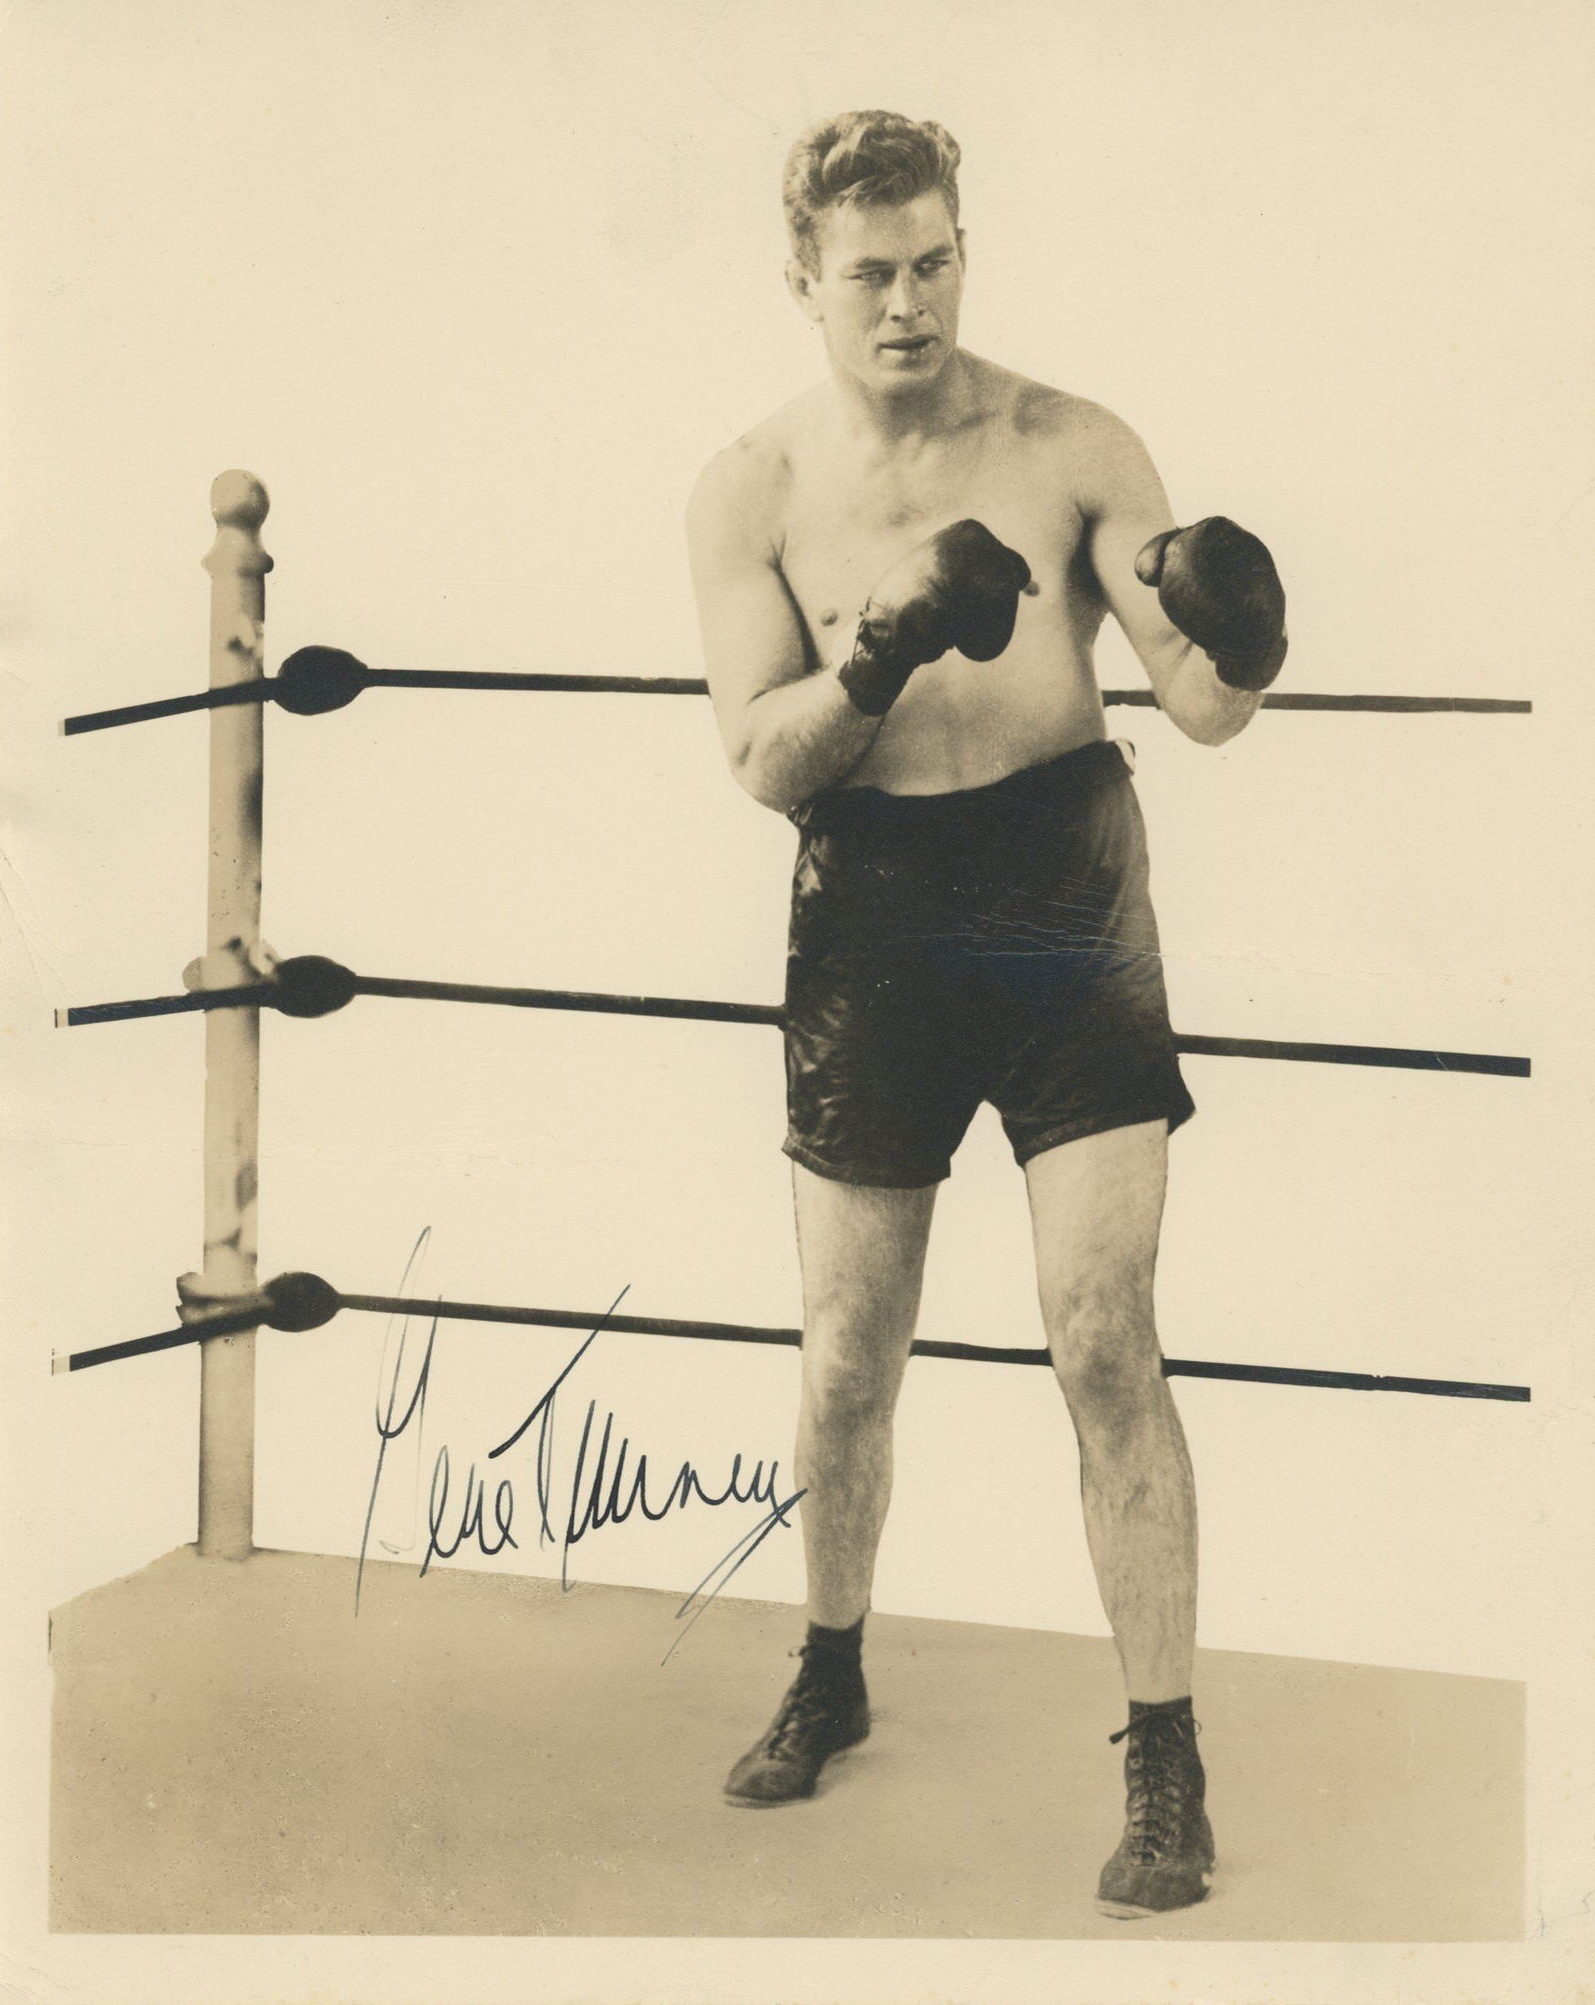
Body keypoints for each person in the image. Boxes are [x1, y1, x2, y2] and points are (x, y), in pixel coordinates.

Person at [684, 108, 1286, 1920]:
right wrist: (876, 645)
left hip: (1062, 902)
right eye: (869, 271)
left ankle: (1166, 1752)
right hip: (869, 904)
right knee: (849, 1355)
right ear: (804, 277)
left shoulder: (1071, 445)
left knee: (1103, 1331)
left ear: (966, 252)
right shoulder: (752, 491)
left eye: (934, 260)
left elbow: (1197, 705)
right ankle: (832, 1663)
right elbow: (763, 761)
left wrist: (1234, 635)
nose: (907, 302)